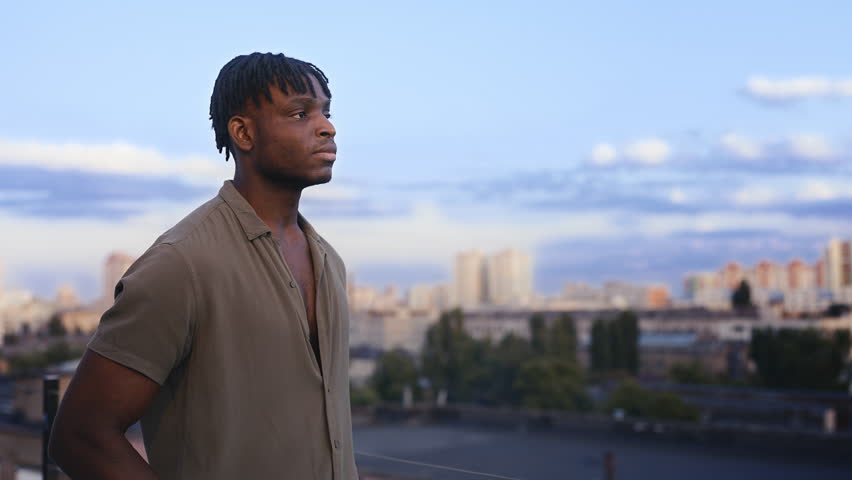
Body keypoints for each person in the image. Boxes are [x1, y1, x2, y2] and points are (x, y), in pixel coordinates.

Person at [49, 52, 359, 480]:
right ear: (243, 133)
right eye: (300, 112)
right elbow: (80, 436)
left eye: (326, 112)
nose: (328, 127)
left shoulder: (330, 262)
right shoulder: (182, 263)